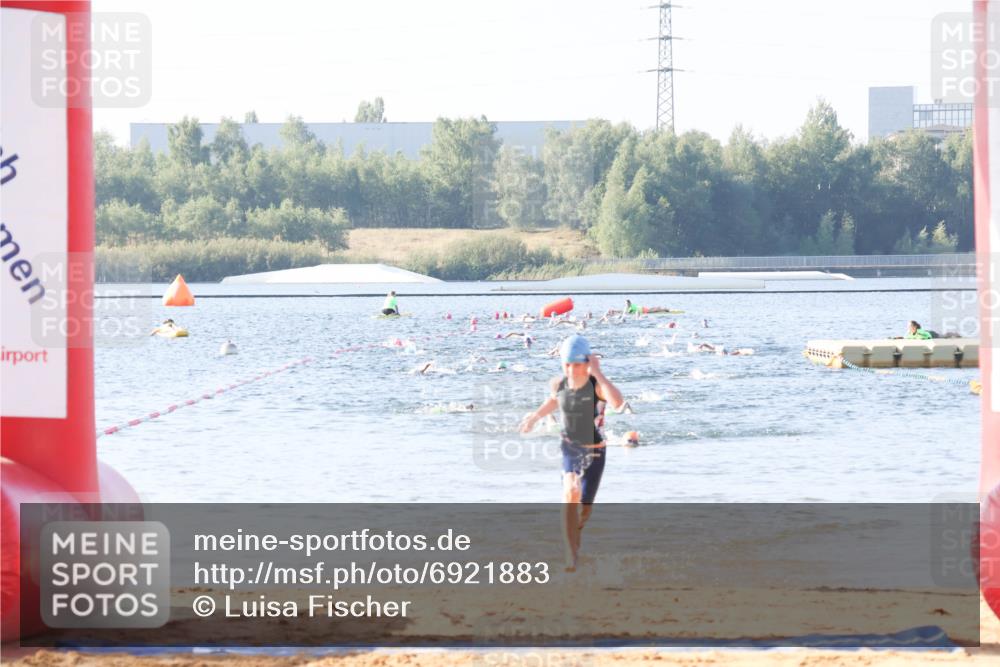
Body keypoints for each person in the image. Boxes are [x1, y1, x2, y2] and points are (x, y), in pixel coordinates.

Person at [519, 335, 624, 572]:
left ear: (586, 363)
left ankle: (573, 538)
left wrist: (598, 372)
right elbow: (554, 401)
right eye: (566, 364)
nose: (570, 370)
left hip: (596, 453)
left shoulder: (597, 386)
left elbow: (617, 403)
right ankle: (571, 553)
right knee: (571, 491)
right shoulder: (559, 383)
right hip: (570, 448)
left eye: (576, 364)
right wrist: (534, 418)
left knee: (584, 509)